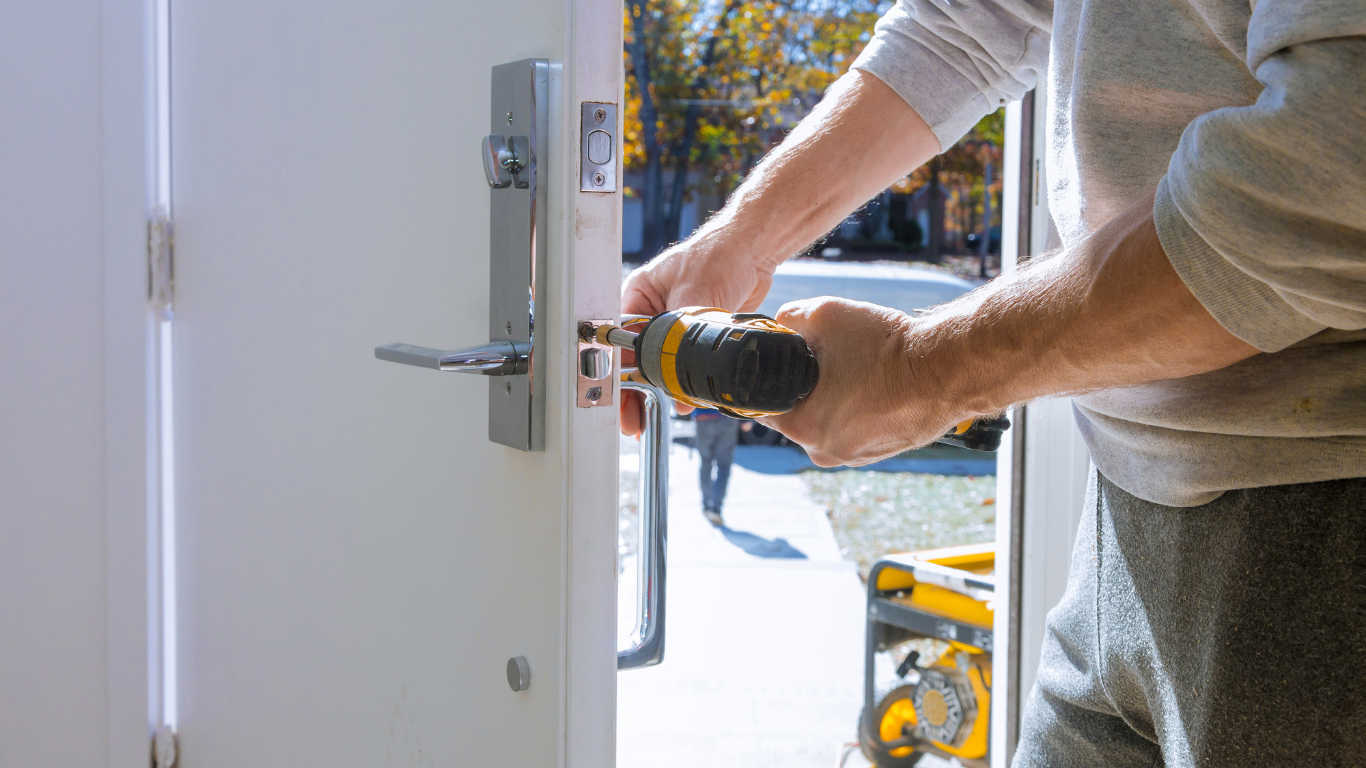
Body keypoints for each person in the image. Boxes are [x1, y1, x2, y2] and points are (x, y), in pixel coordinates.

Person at [621, 1, 1366, 764]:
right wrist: (740, 239)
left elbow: (1331, 171)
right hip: (1119, 519)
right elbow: (965, 21)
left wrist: (923, 369)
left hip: (1317, 537)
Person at [693, 408, 741, 526]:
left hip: (702, 416)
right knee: (723, 466)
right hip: (727, 415)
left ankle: (706, 505)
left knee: (705, 463)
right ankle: (716, 509)